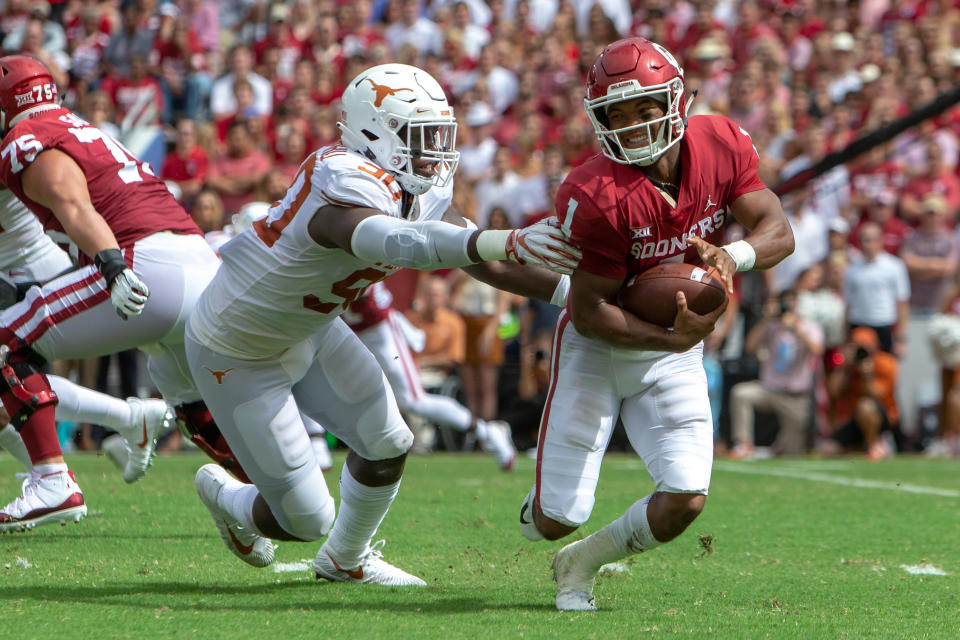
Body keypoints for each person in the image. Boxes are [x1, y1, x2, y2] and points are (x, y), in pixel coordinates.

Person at [184, 62, 579, 585]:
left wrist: (570, 294)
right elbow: (393, 242)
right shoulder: (338, 175)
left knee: (389, 441)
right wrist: (503, 238)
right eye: (422, 136)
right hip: (236, 347)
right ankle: (227, 495)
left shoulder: (419, 187)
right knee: (305, 518)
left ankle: (346, 559)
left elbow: (480, 257)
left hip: (310, 327)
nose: (436, 150)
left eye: (441, 134)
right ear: (374, 132)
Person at [518, 38, 794, 611]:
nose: (636, 126)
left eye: (646, 108)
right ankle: (549, 515)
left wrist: (732, 256)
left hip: (673, 346)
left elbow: (776, 228)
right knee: (553, 519)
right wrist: (671, 337)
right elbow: (591, 311)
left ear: (676, 99)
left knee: (684, 500)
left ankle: (582, 563)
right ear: (599, 121)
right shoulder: (594, 192)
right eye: (618, 115)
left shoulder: (719, 141)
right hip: (598, 348)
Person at [0, 55, 221, 532]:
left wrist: (112, 264)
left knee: (7, 348)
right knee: (198, 405)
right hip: (168, 256)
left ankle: (53, 474)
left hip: (45, 266)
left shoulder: (25, 141)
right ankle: (263, 492)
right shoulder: (66, 126)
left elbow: (70, 199)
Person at [345, 281, 516, 469]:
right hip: (353, 330)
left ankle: (489, 432)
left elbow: (353, 288)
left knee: (413, 400)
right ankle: (320, 444)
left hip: (379, 331)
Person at [729, 289, 824, 459]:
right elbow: (750, 347)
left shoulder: (809, 326)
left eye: (792, 302)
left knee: (791, 452)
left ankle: (779, 447)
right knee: (741, 394)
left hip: (796, 396)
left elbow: (817, 350)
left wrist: (796, 329)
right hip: (770, 390)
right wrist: (766, 318)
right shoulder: (771, 326)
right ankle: (743, 443)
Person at [823, 327, 899, 461]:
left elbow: (878, 395)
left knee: (865, 406)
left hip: (881, 417)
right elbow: (833, 392)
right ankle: (861, 447)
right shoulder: (848, 365)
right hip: (856, 420)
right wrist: (843, 368)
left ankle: (874, 444)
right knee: (827, 449)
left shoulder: (886, 363)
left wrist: (867, 376)